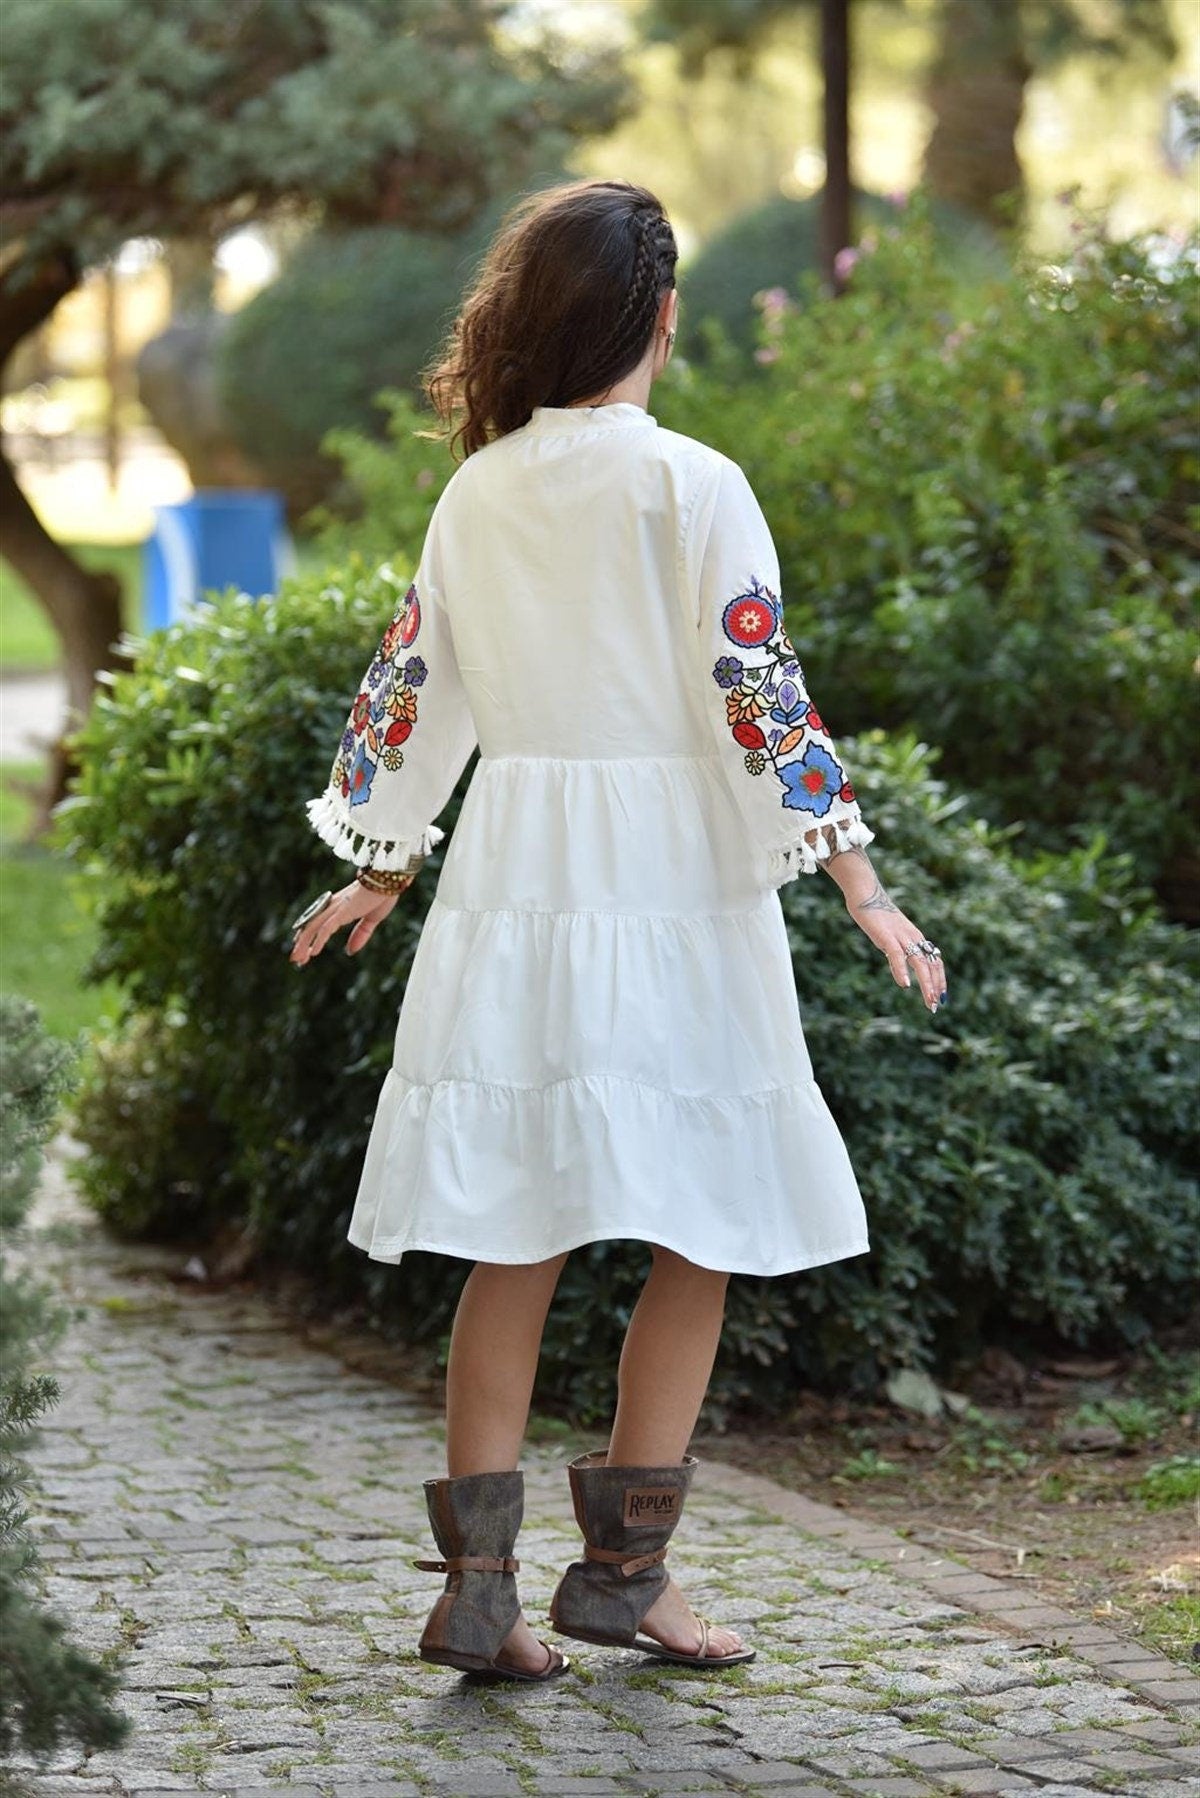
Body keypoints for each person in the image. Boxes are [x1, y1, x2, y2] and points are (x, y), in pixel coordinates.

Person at [289, 177, 947, 1684]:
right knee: (694, 1229)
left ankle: (479, 1592)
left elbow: (412, 691)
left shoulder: (479, 491)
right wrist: (862, 884)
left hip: (517, 878)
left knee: (512, 1236)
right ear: (661, 319)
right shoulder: (694, 484)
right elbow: (756, 692)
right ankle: (628, 1575)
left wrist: (385, 871)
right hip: (672, 886)